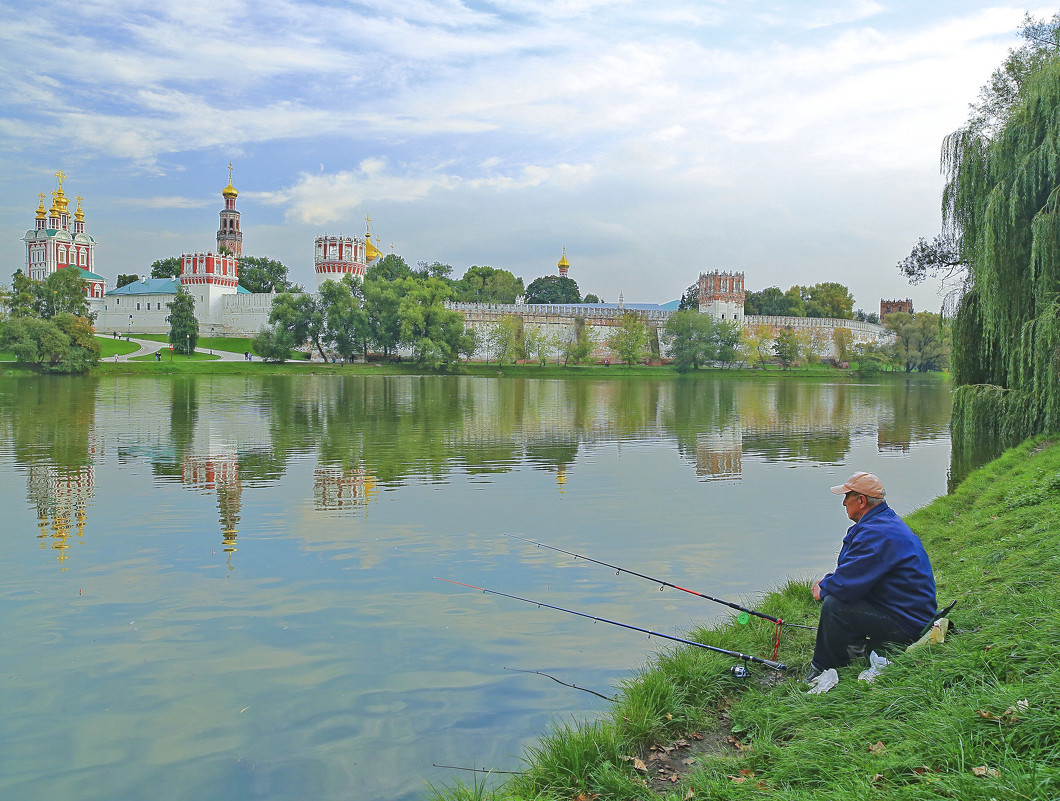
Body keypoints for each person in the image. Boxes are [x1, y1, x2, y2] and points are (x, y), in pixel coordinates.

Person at [807, 471, 937, 682]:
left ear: (861, 500)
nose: (843, 503)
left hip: (908, 623)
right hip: (910, 613)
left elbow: (846, 585)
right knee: (840, 595)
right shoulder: (881, 522)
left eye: (846, 497)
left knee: (834, 605)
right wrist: (831, 580)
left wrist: (824, 587)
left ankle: (824, 667)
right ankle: (855, 647)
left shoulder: (877, 533)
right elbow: (856, 571)